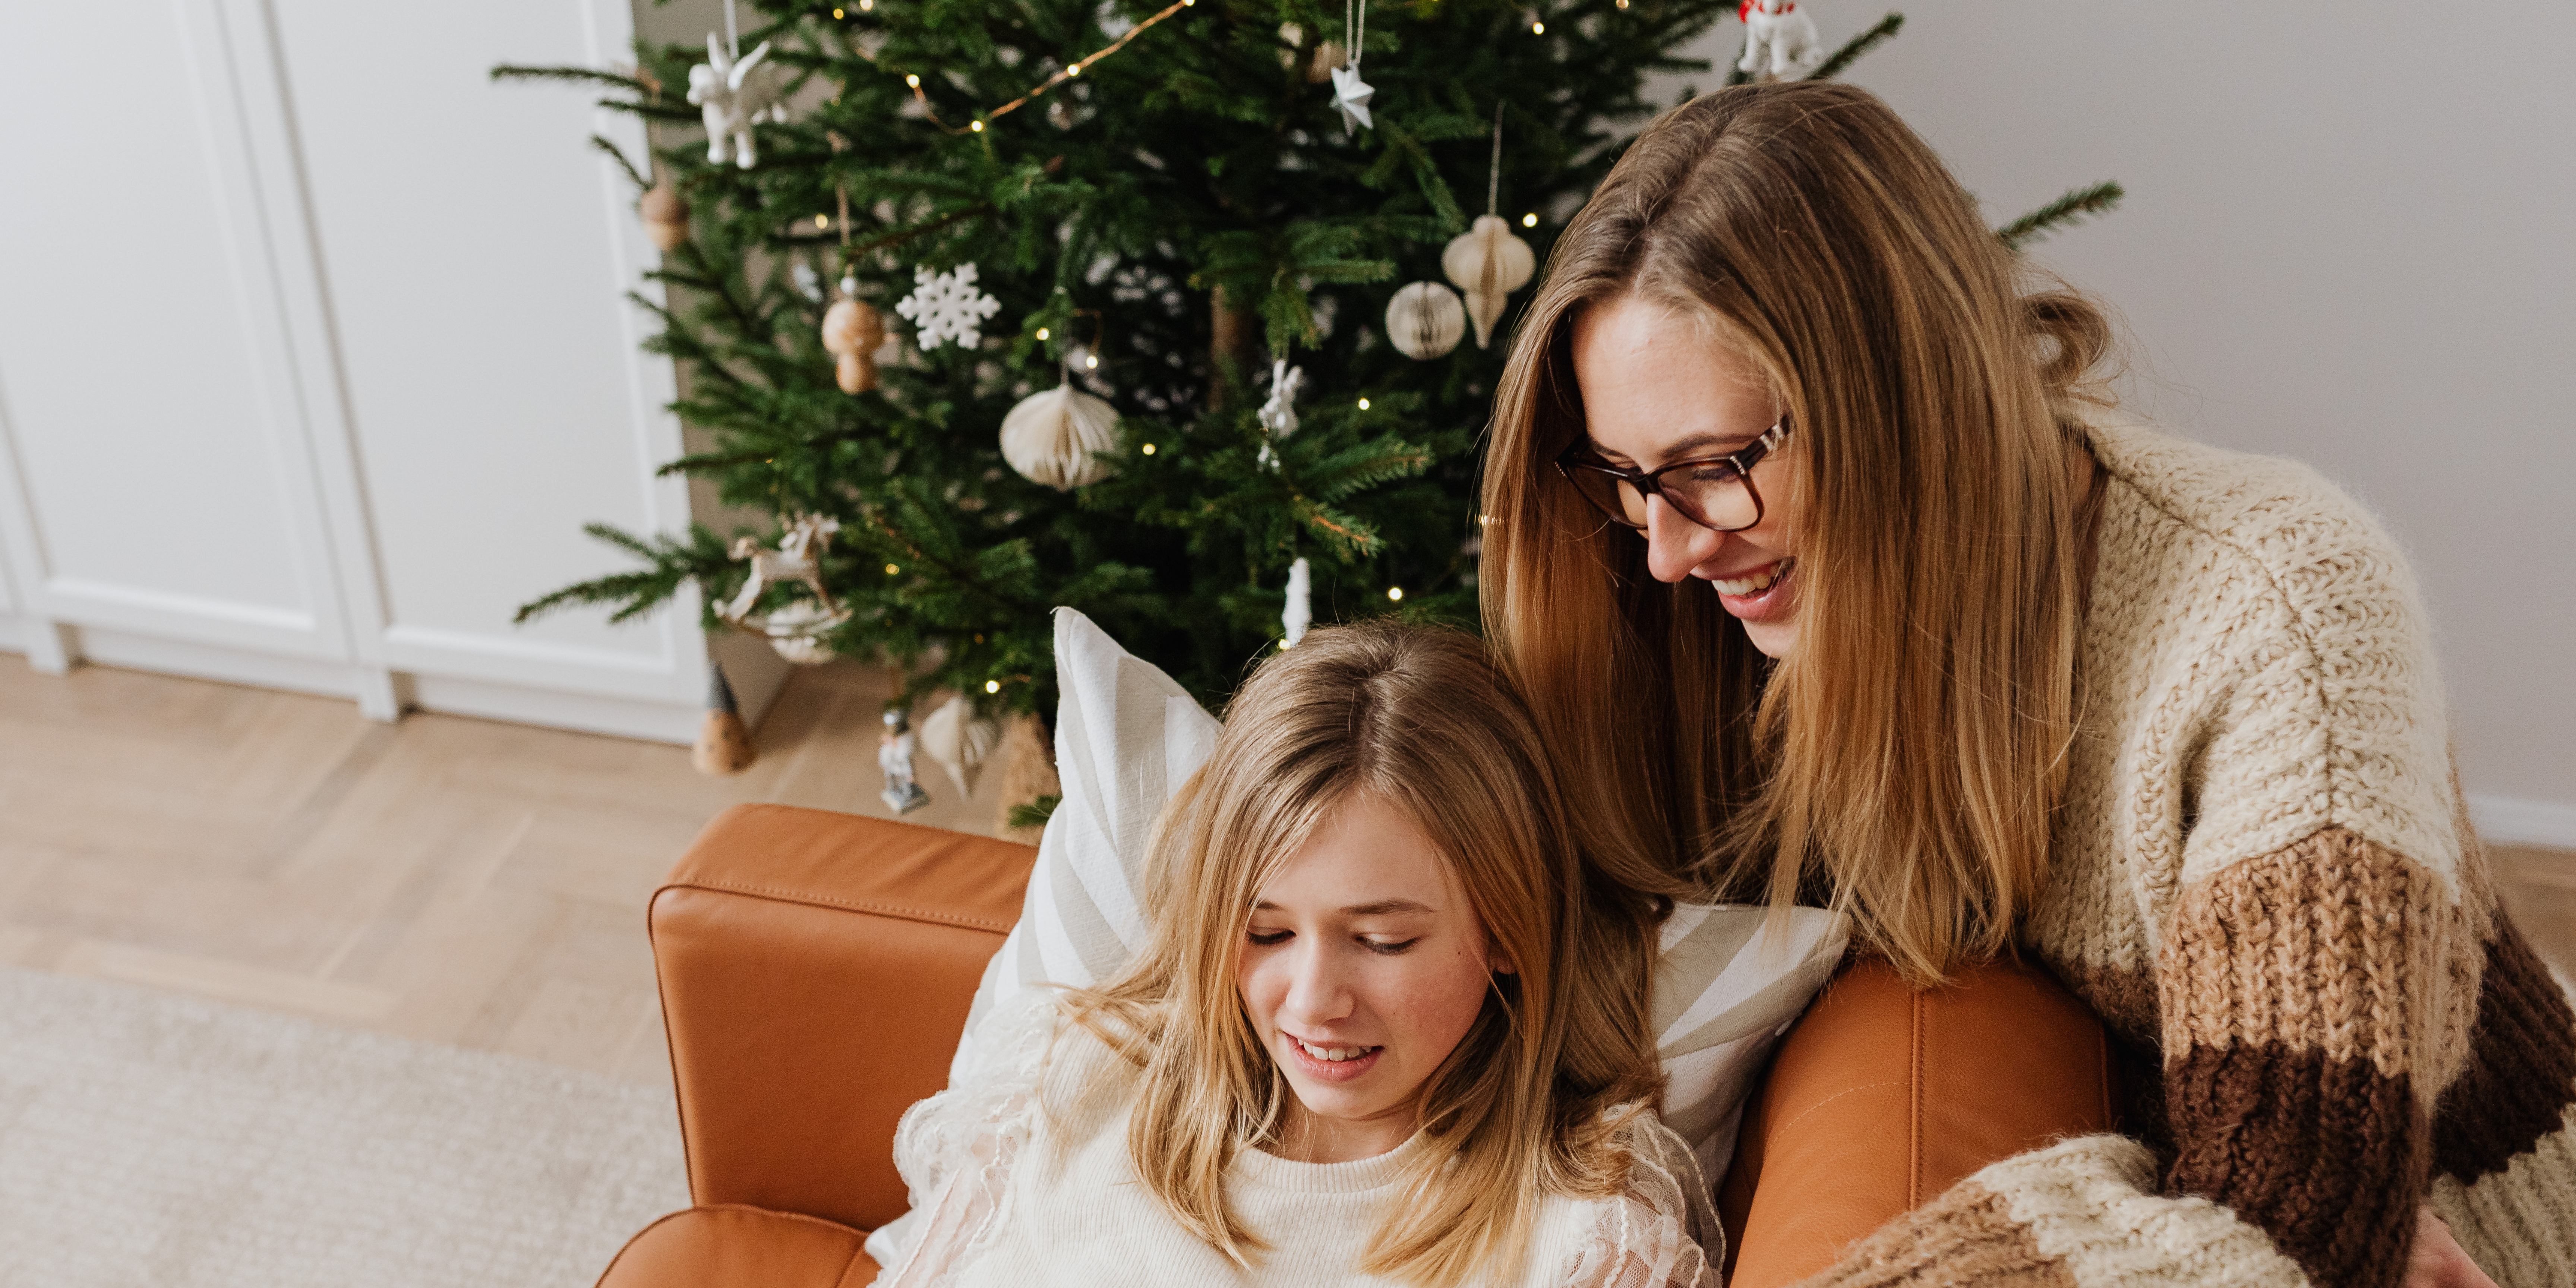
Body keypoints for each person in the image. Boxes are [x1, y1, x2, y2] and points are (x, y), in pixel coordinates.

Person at [1477, 82, 2575, 1288]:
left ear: (1906, 393)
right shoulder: (1726, 619)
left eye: (1717, 466)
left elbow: (2298, 1209)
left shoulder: (2282, 610)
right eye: (1626, 476)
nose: (1669, 548)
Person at [872, 622, 1721, 1288]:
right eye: (1267, 932)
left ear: (1506, 929)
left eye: (1382, 941)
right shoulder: (1070, 1083)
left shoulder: (1582, 1241)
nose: (1313, 1002)